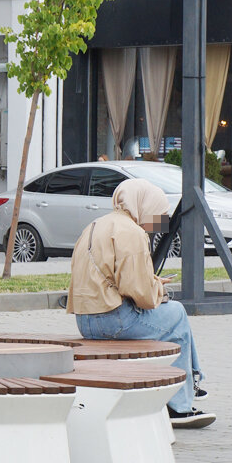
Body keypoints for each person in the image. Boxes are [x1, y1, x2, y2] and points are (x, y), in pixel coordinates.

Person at [66, 178, 216, 429]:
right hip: (112, 320)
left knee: (172, 317)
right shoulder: (131, 232)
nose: (160, 222)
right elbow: (140, 293)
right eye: (158, 214)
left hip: (85, 320)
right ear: (144, 205)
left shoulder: (95, 224)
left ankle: (191, 380)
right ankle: (179, 405)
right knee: (177, 314)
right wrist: (158, 288)